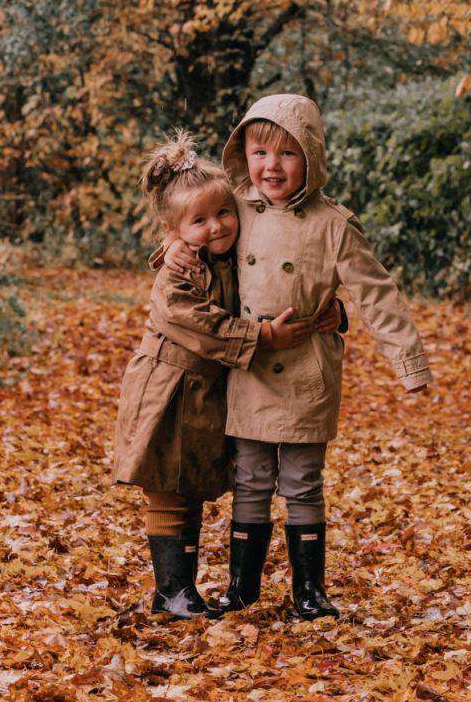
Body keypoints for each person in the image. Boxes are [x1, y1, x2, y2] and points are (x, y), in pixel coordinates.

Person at [162, 95, 432, 620]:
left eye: (288, 154)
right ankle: (242, 587)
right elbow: (195, 227)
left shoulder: (334, 224)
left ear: (311, 157)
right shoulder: (236, 208)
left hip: (307, 369)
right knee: (250, 477)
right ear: (244, 155)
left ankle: (310, 591)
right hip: (250, 366)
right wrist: (171, 248)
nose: (272, 166)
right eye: (260, 153)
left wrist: (408, 362)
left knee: (304, 480)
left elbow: (377, 293)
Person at [113, 130, 338, 620]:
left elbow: (280, 276)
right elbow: (201, 324)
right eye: (199, 221)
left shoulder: (229, 257)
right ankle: (171, 591)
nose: (216, 226)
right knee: (168, 489)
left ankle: (182, 591)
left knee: (188, 484)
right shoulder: (178, 272)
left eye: (223, 213)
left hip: (204, 390)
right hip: (168, 389)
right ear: (173, 230)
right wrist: (263, 336)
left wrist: (328, 308)